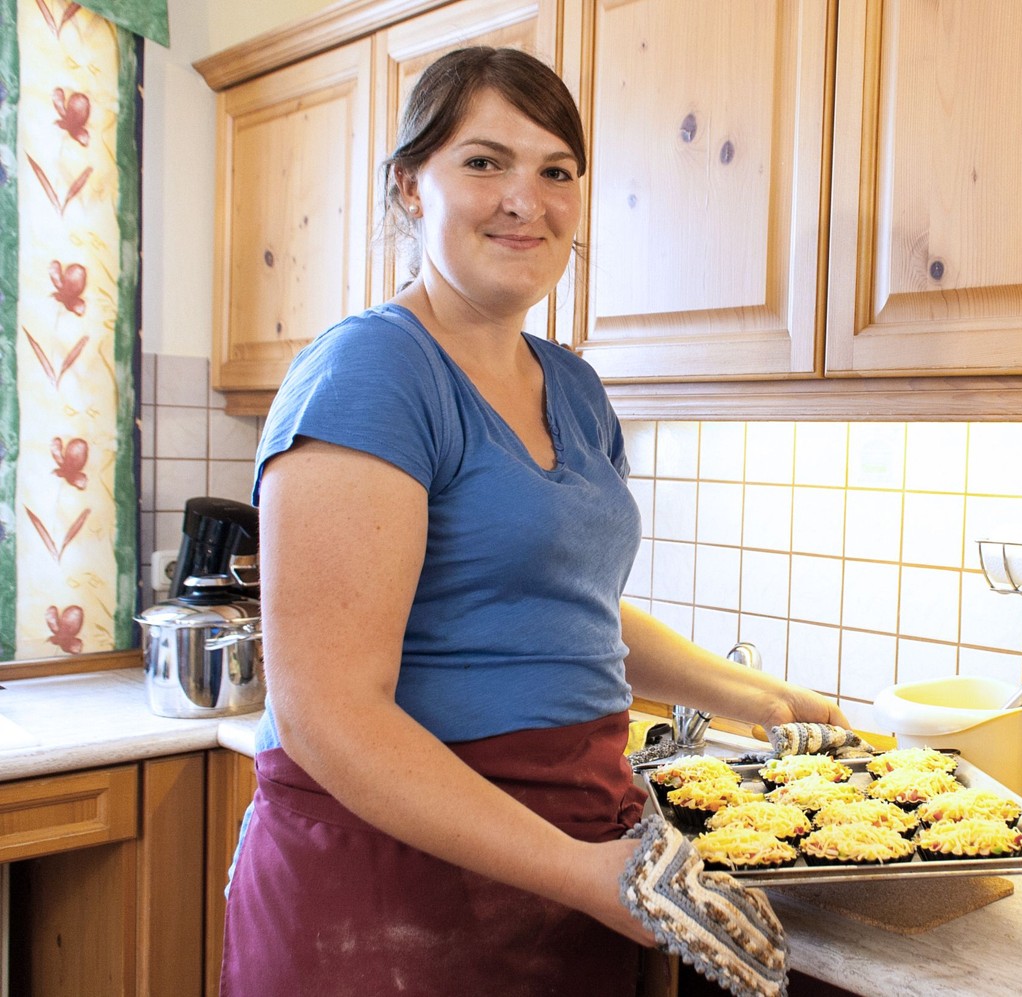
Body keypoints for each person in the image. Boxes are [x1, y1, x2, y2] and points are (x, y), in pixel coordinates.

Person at [220, 46, 846, 995]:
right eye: (484, 162)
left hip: (571, 869)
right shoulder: (370, 376)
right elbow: (327, 714)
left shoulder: (577, 390)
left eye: (557, 171)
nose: (527, 198)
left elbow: (565, 612)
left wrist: (749, 696)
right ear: (409, 187)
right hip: (388, 896)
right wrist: (589, 874)